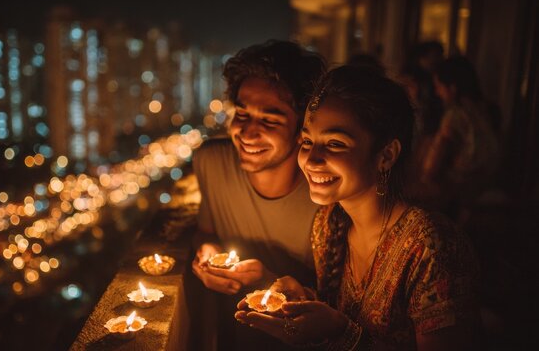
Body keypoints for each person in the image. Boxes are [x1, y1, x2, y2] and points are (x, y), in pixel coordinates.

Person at [235, 65, 481, 350]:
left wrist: (343, 333)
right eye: (307, 141)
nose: (312, 160)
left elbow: (345, 328)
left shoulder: (432, 247)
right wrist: (304, 299)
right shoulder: (327, 224)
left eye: (336, 143)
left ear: (386, 155)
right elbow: (339, 315)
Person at [191, 40, 327, 349]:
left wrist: (267, 281)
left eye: (269, 119)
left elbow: (341, 305)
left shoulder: (324, 190)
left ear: (301, 128)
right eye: (242, 113)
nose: (248, 132)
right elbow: (204, 232)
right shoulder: (211, 163)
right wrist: (206, 252)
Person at [418, 56, 500, 222]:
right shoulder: (489, 110)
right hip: (490, 185)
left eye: (439, 87)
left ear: (452, 88)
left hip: (459, 192)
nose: (437, 93)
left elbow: (432, 166)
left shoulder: (455, 116)